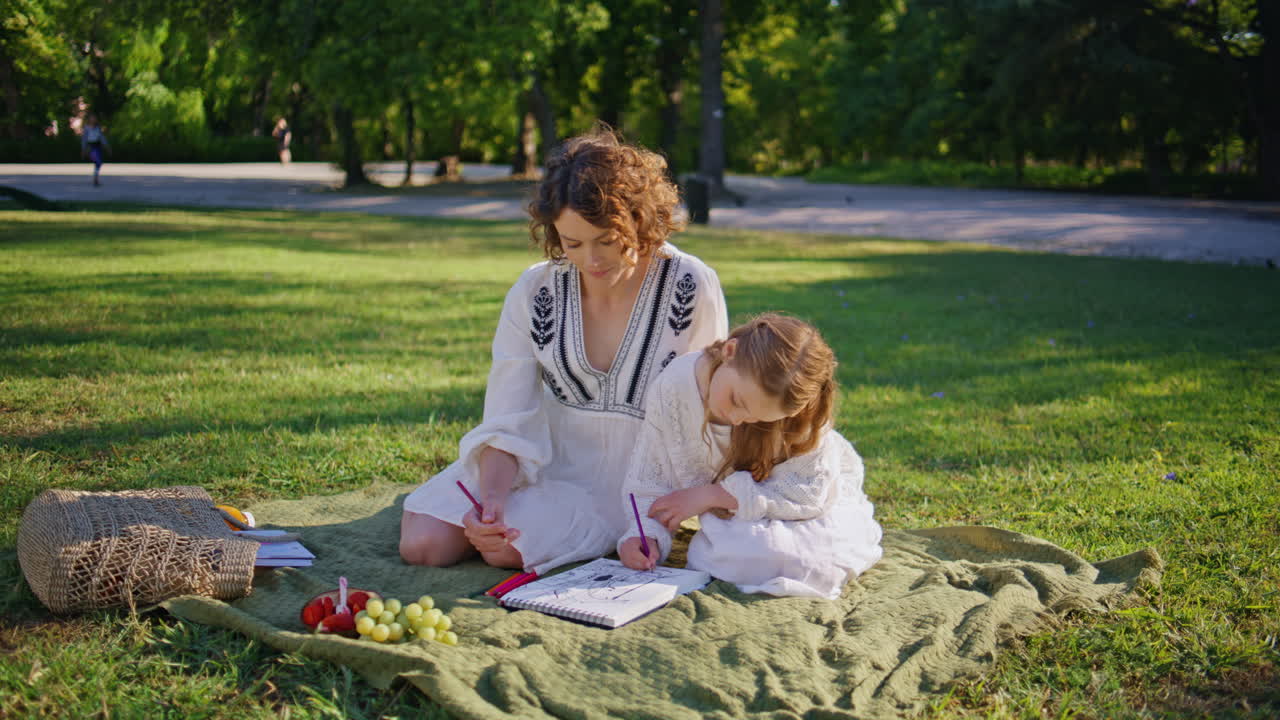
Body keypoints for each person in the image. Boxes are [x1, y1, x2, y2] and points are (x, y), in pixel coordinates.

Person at [400, 127, 729, 575]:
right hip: (537, 464)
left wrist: (668, 512)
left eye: (606, 241)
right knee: (423, 545)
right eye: (572, 243)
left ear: (640, 218)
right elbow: (507, 415)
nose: (590, 260)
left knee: (504, 551)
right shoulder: (535, 289)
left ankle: (554, 525)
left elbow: (709, 419)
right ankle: (503, 509)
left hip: (629, 482)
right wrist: (492, 501)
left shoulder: (691, 284)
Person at [617, 314, 883, 599]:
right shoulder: (673, 387)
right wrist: (645, 534)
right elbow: (649, 480)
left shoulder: (800, 413)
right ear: (729, 352)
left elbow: (810, 493)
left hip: (801, 507)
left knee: (805, 558)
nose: (737, 419)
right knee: (728, 556)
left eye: (756, 417)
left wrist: (714, 495)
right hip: (741, 522)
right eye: (736, 400)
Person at [80, 115, 109, 187]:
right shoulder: (87, 128)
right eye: (92, 119)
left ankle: (96, 178)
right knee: (96, 159)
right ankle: (95, 178)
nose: (93, 120)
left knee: (99, 162)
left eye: (94, 119)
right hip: (90, 146)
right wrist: (83, 149)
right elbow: (84, 139)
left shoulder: (98, 128)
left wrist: (106, 146)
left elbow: (102, 137)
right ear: (89, 120)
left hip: (97, 146)